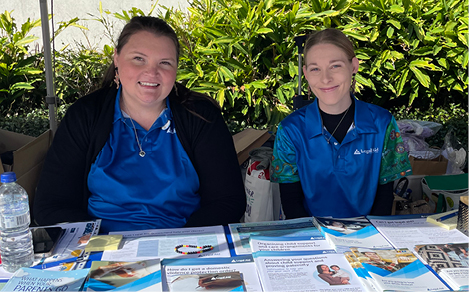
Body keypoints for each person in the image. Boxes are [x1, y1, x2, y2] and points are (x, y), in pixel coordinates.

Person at [34, 16, 246, 233]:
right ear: (116, 58)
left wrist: (180, 243)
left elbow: (228, 200)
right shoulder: (85, 115)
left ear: (176, 67)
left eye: (164, 62)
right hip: (101, 250)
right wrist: (102, 246)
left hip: (184, 246)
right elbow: (51, 204)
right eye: (138, 59)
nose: (151, 73)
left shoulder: (200, 116)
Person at [271, 28, 412, 218]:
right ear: (305, 73)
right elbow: (291, 203)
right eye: (315, 69)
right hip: (312, 237)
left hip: (367, 237)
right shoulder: (290, 130)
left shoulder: (382, 123)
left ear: (353, 66)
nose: (325, 79)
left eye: (335, 66)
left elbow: (385, 195)